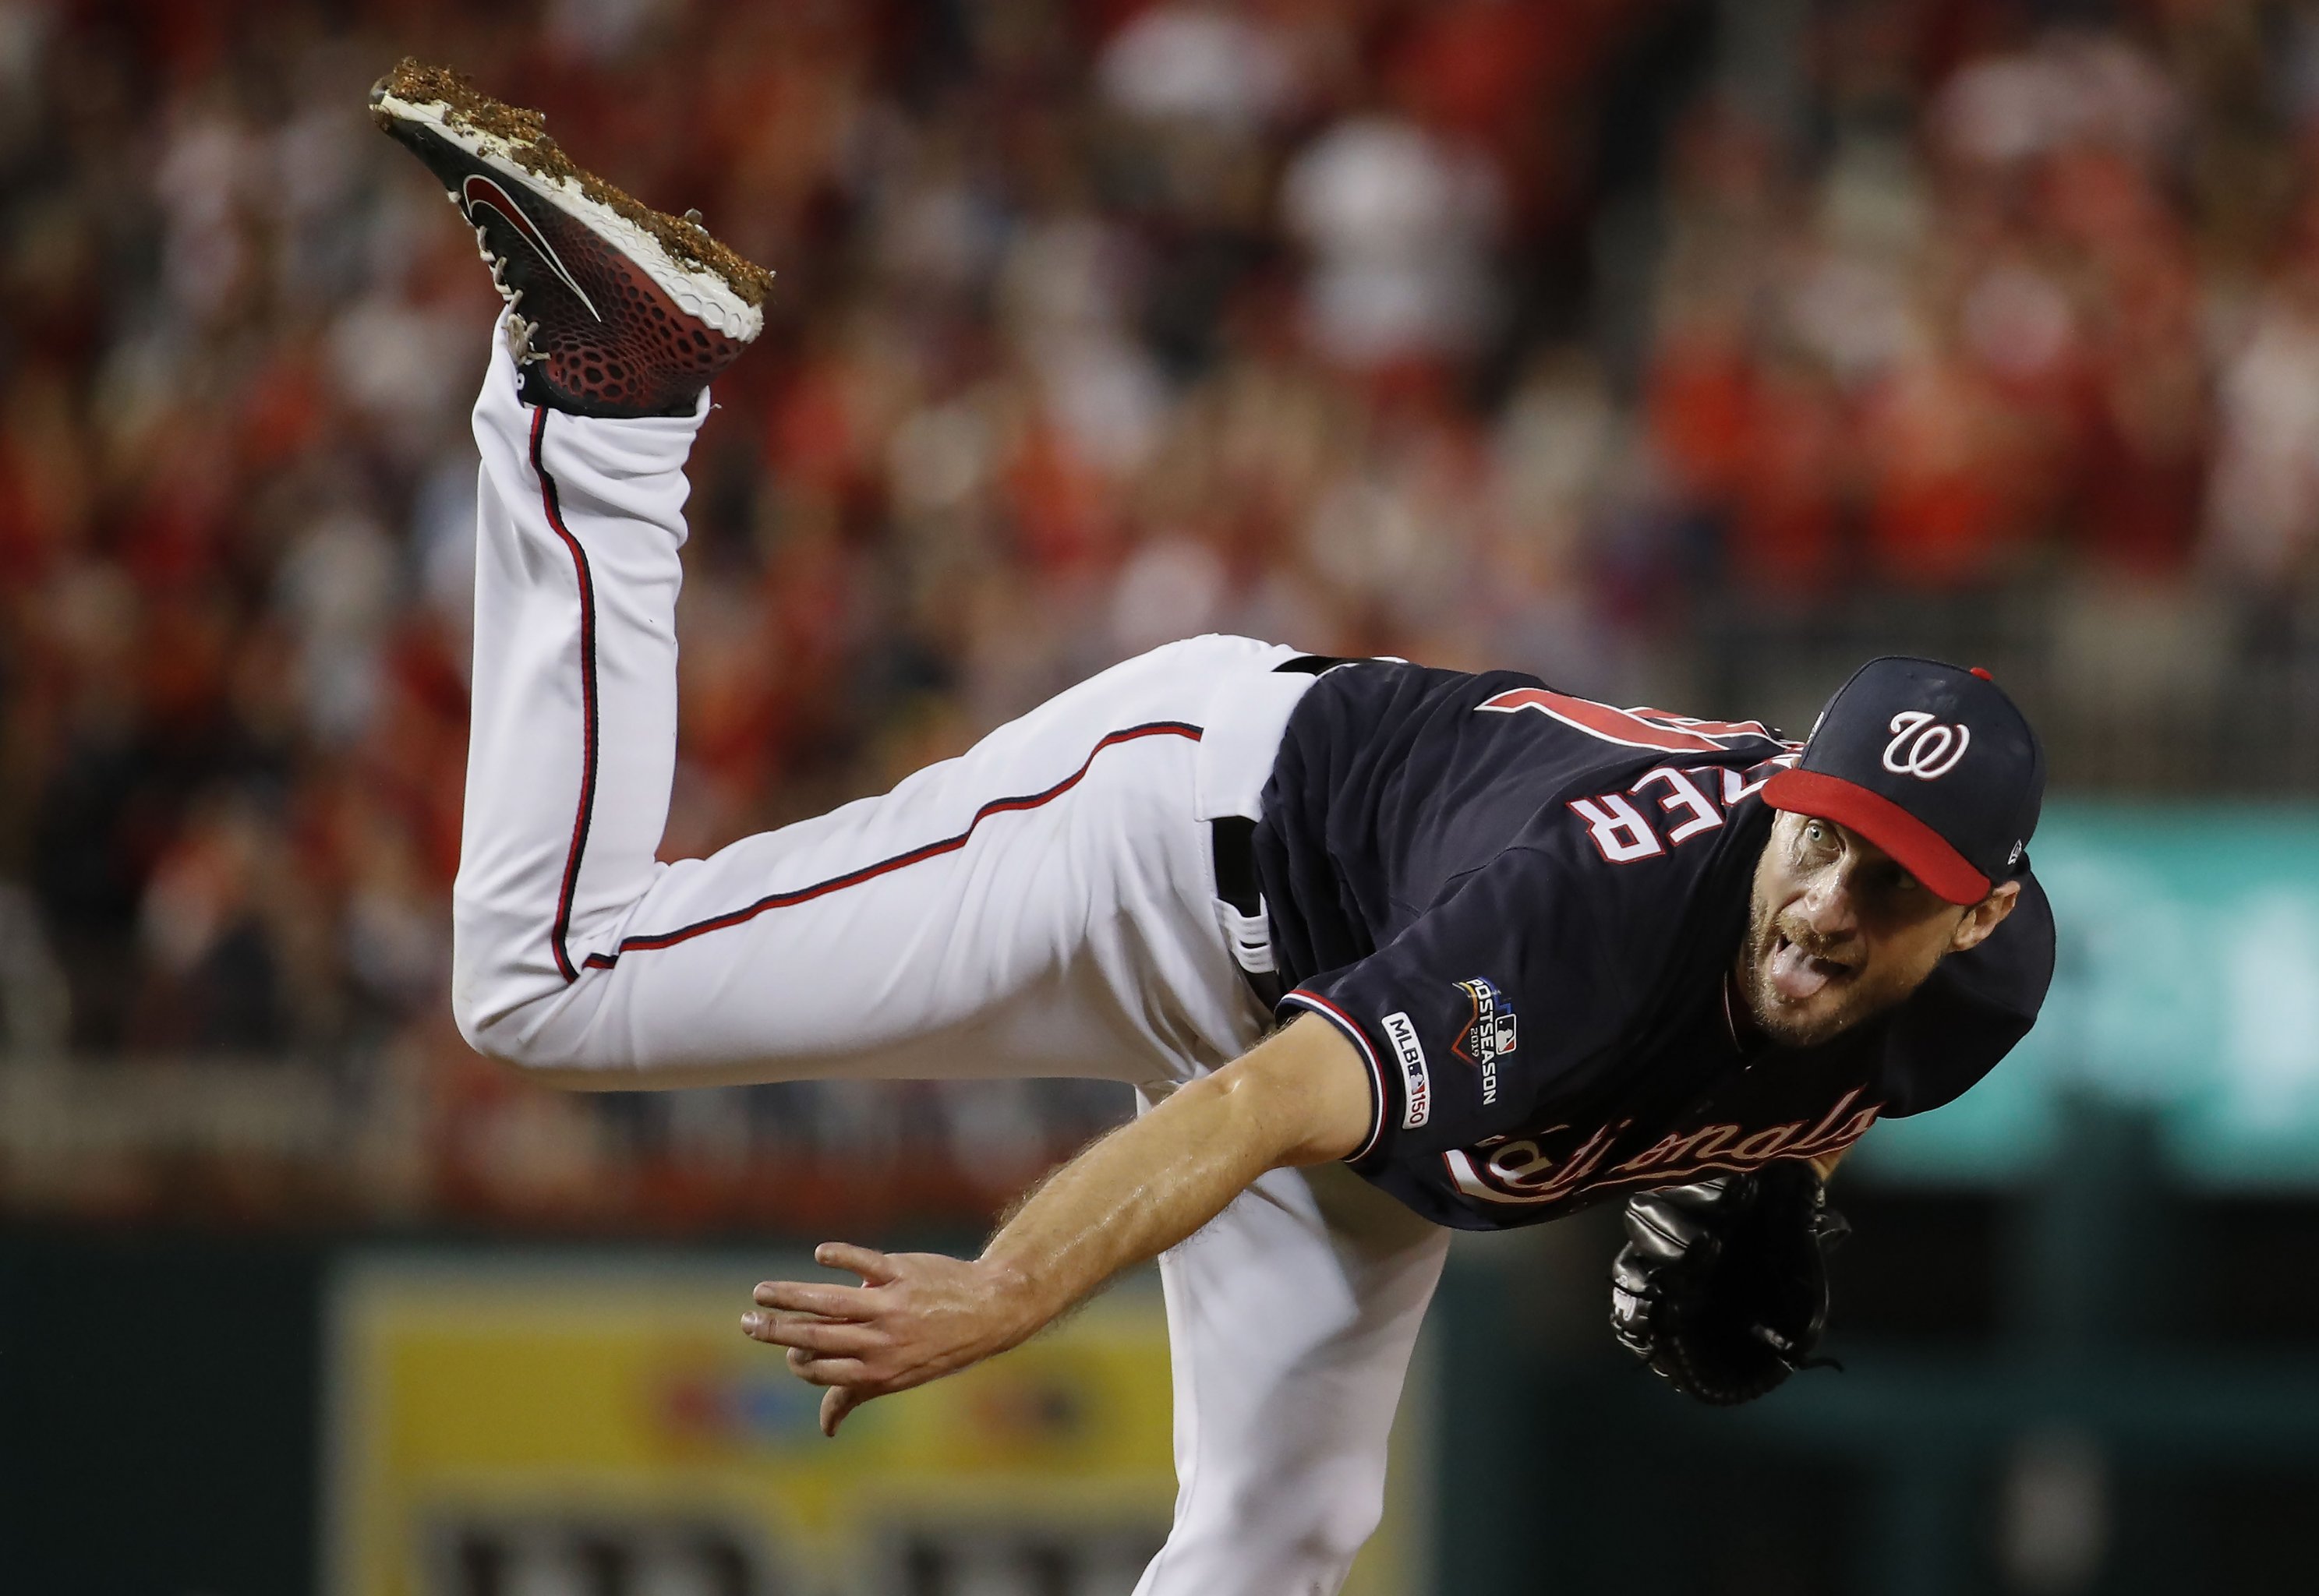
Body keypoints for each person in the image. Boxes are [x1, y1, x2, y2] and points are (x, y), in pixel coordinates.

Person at [373, 61, 2054, 1596]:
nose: (1831, 892)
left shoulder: (1972, 992)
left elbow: (1821, 1053)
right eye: (1820, 833)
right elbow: (1262, 1100)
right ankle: (609, 409)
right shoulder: (1588, 930)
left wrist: (1769, 1170)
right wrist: (1009, 1288)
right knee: (548, 982)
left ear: (1982, 915)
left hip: (1360, 1031)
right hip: (1174, 851)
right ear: (1782, 792)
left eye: (1892, 875)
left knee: (1277, 1541)